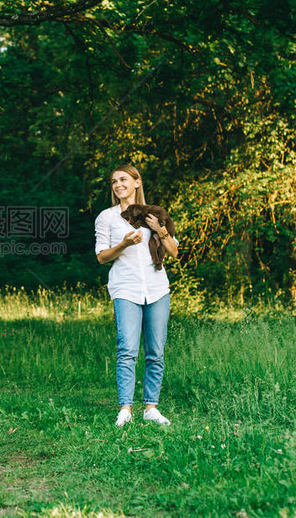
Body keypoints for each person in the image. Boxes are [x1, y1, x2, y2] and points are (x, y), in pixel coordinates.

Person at [94, 164, 178, 427]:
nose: (118, 185)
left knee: (155, 351)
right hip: (126, 288)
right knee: (127, 350)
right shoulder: (107, 218)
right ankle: (125, 409)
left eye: (123, 180)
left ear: (137, 182)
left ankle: (151, 408)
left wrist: (160, 230)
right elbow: (101, 257)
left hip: (157, 289)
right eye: (113, 182)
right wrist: (124, 244)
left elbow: (174, 252)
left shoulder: (154, 214)